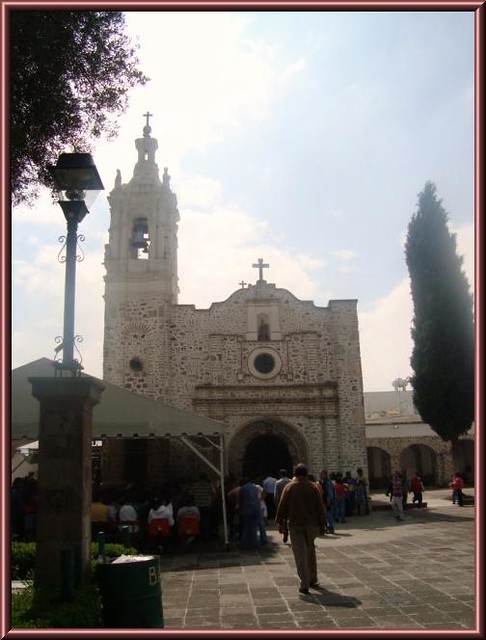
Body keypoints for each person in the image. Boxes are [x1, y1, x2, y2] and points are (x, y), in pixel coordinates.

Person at [276, 463, 327, 594]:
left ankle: (304, 583)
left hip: (295, 524)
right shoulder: (313, 487)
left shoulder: (290, 487)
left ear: (295, 474)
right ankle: (313, 578)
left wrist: (280, 522)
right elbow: (320, 507)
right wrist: (323, 524)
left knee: (300, 553)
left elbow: (282, 506)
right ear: (306, 473)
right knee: (310, 551)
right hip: (311, 525)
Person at [238, 477, 261, 550]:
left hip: (247, 509)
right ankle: (254, 544)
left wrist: (240, 509)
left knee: (246, 526)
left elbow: (240, 500)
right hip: (256, 508)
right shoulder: (255, 488)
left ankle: (244, 543)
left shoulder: (243, 488)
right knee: (254, 527)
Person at [191, 472, 215, 540]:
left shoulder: (195, 485)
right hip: (207, 505)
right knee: (206, 521)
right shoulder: (209, 485)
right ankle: (206, 536)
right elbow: (214, 493)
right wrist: (211, 501)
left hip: (197, 505)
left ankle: (198, 535)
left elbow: (191, 493)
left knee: (198, 520)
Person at [319, 469, 335, 534]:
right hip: (324, 500)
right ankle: (327, 527)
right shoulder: (323, 481)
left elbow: (330, 492)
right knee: (326, 515)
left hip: (327, 501)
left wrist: (329, 500)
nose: (320, 475)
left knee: (329, 515)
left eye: (321, 474)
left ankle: (331, 528)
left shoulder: (328, 482)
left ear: (325, 474)